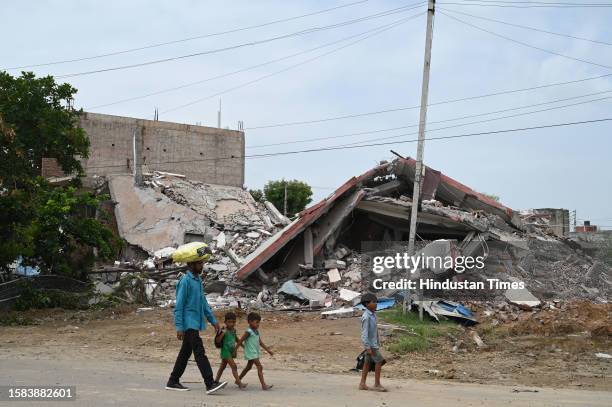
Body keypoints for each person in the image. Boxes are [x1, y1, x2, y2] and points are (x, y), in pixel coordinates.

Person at [165, 244, 227, 395]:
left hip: (194, 322)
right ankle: (209, 383)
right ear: (191, 264)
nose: (202, 266)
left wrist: (213, 321)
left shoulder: (197, 280)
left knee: (185, 352)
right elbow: (179, 306)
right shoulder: (185, 281)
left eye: (202, 263)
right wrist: (179, 326)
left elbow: (203, 303)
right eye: (199, 263)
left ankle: (173, 381)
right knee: (199, 352)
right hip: (188, 324)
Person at [235, 312, 274, 390]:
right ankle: (263, 385)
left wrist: (268, 350)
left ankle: (237, 380)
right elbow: (240, 340)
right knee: (259, 366)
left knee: (248, 367)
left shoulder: (256, 331)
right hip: (251, 352)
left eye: (259, 322)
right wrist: (235, 349)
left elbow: (260, 342)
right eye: (256, 322)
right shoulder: (248, 332)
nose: (258, 324)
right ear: (250, 322)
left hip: (255, 352)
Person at [359, 293, 387, 392]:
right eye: (373, 302)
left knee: (367, 363)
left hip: (373, 344)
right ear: (367, 304)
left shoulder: (373, 314)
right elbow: (364, 334)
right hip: (371, 345)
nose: (376, 304)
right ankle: (377, 384)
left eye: (376, 302)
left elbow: (374, 331)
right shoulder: (366, 317)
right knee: (379, 361)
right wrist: (368, 347)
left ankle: (362, 383)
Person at [214, 312, 247, 389]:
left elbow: (236, 339)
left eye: (233, 322)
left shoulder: (233, 330)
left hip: (230, 351)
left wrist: (243, 346)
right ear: (225, 322)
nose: (231, 324)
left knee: (222, 367)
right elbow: (218, 341)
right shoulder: (223, 331)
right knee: (234, 366)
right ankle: (239, 383)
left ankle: (216, 381)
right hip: (225, 352)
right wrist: (222, 333)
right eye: (229, 322)